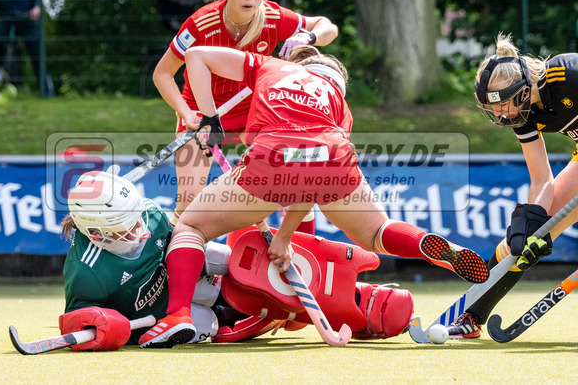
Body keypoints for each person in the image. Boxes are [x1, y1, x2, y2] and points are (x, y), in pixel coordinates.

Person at [137, 44, 490, 348]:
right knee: (376, 232)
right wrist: (284, 238)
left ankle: (178, 314)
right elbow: (311, 179)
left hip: (272, 158)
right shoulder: (338, 104)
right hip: (332, 157)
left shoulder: (273, 66)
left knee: (190, 227)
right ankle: (427, 245)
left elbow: (196, 56)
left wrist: (211, 119)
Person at [59, 169, 415, 350]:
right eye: (125, 227)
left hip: (183, 280)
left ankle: (352, 299)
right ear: (95, 234)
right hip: (157, 317)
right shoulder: (87, 273)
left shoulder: (149, 214)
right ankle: (283, 314)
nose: (139, 228)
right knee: (209, 325)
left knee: (233, 260)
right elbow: (78, 321)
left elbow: (185, 241)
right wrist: (108, 328)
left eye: (136, 216)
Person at [153, 0, 338, 234]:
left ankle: (299, 254)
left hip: (255, 107)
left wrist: (307, 38)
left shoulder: (274, 17)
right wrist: (186, 113)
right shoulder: (201, 24)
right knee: (188, 205)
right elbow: (162, 74)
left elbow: (327, 26)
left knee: (295, 186)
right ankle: (170, 268)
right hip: (203, 108)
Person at [446, 32, 578, 339]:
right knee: (528, 237)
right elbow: (542, 179)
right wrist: (531, 220)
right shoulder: (521, 115)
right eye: (493, 107)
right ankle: (473, 313)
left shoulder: (568, 73)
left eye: (503, 104)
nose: (500, 114)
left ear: (521, 90)